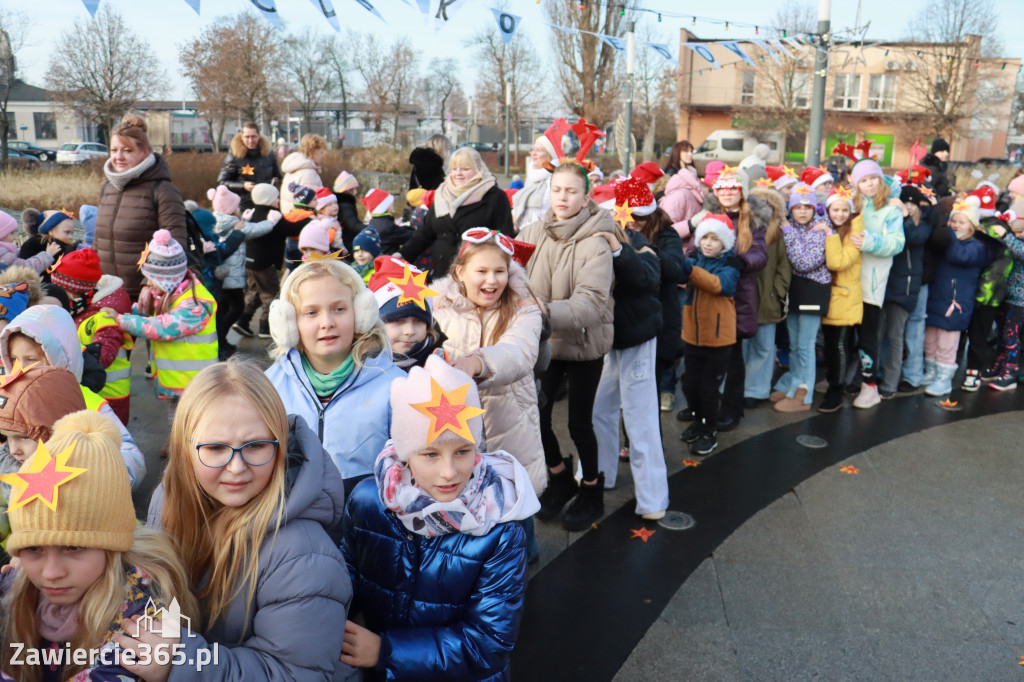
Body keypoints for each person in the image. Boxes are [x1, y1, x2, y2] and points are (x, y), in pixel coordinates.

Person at [146, 360, 355, 681]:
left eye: (256, 445)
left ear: (280, 444)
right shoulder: (169, 500)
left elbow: (294, 674)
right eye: (215, 448)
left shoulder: (303, 555)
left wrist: (182, 662)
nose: (236, 467)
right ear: (185, 449)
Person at [340, 355, 538, 679]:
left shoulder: (499, 529)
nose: (449, 472)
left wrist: (385, 651)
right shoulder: (367, 502)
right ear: (405, 455)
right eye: (430, 453)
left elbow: (489, 643)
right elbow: (346, 572)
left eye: (463, 451)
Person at [0, 410, 198, 682]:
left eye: (74, 547)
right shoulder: (18, 584)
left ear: (112, 545)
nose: (51, 573)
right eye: (34, 548)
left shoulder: (144, 619)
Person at [519, 163, 614, 531]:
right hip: (544, 342)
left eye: (571, 191)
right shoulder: (531, 233)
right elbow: (511, 277)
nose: (562, 197)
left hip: (584, 343)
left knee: (579, 423)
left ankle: (591, 488)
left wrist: (538, 311)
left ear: (585, 197)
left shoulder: (596, 242)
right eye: (557, 189)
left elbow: (591, 304)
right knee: (537, 415)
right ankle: (559, 476)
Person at [266, 259, 404, 495]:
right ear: (289, 323)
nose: (327, 323)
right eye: (311, 313)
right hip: (293, 512)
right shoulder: (269, 387)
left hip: (366, 513)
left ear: (361, 313)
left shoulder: (396, 387)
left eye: (339, 309)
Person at [431, 228, 546, 493]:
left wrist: (477, 363)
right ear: (460, 272)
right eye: (481, 271)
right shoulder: (436, 309)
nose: (492, 280)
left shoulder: (524, 309)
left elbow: (519, 351)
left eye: (499, 271)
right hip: (453, 435)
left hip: (511, 429)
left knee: (513, 502)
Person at [591, 178, 671, 519]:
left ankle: (653, 498)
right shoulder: (587, 240)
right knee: (599, 409)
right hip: (604, 339)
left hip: (636, 336)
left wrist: (618, 249)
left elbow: (647, 278)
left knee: (640, 417)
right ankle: (599, 474)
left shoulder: (638, 243)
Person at [1, 303, 147, 487]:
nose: (21, 369)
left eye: (31, 360)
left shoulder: (86, 402)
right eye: (14, 359)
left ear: (60, 356)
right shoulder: (8, 398)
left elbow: (131, 457)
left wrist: (93, 481)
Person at [681, 169, 770, 431]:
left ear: (742, 191)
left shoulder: (753, 219)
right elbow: (694, 246)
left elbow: (760, 253)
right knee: (699, 355)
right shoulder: (706, 214)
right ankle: (700, 406)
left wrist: (742, 261)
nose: (727, 193)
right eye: (722, 188)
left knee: (732, 356)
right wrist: (691, 259)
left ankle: (732, 408)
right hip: (703, 291)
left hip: (737, 293)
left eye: (733, 188)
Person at [106, 231, 217, 428]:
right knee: (178, 422)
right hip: (181, 380)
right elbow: (147, 316)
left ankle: (184, 444)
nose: (148, 284)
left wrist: (121, 320)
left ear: (169, 279)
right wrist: (128, 311)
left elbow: (163, 327)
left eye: (152, 279)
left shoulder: (195, 304)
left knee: (193, 425)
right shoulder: (171, 294)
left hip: (195, 383)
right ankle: (177, 440)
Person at [95, 114, 188, 300]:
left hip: (144, 295)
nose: (118, 157)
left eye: (127, 151)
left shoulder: (163, 190)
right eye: (114, 150)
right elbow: (98, 240)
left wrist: (150, 286)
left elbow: (176, 246)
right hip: (106, 291)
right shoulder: (107, 188)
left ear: (145, 152)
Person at [678, 215, 741, 455]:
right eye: (705, 237)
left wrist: (689, 269)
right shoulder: (695, 258)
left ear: (724, 242)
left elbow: (719, 285)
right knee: (690, 385)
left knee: (708, 388)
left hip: (718, 339)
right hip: (692, 336)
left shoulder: (731, 264)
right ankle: (698, 420)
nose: (708, 243)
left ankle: (709, 430)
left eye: (715, 239)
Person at [845, 160, 906, 409]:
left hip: (871, 283)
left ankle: (870, 387)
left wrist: (870, 242)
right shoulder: (852, 204)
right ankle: (841, 379)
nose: (869, 184)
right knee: (843, 334)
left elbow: (897, 243)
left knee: (868, 336)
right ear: (856, 183)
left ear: (880, 179)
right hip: (846, 280)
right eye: (863, 180)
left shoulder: (891, 208)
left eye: (873, 178)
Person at [400, 147, 514, 279]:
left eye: (465, 169)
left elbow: (504, 239)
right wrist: (402, 254)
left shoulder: (495, 197)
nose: (458, 173)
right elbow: (425, 232)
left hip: (478, 277)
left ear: (478, 169)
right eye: (454, 169)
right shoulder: (442, 194)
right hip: (442, 274)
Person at [50, 248, 134, 424]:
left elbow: (104, 355)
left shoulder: (104, 316)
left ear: (73, 291)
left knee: (107, 437)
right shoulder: (78, 308)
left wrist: (66, 356)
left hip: (109, 395)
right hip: (89, 390)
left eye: (60, 290)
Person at [772, 183, 831, 412]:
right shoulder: (792, 226)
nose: (803, 211)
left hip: (813, 290)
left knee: (805, 346)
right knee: (795, 345)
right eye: (798, 207)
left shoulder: (820, 228)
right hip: (795, 290)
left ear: (815, 208)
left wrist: (788, 232)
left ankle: (803, 395)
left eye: (808, 207)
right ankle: (793, 385)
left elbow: (804, 263)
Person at [923, 196, 988, 395]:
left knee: (947, 344)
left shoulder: (976, 247)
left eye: (962, 222)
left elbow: (958, 255)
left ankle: (944, 379)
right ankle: (931, 372)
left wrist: (947, 231)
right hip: (937, 299)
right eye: (954, 221)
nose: (956, 225)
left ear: (973, 226)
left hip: (955, 303)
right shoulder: (949, 242)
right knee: (930, 340)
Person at [206, 185, 281, 358]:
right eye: (237, 206)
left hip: (222, 275)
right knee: (237, 306)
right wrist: (271, 222)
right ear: (231, 210)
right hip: (231, 277)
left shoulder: (218, 220)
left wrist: (245, 220)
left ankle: (221, 340)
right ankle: (219, 338)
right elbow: (255, 230)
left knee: (225, 308)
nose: (240, 208)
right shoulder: (235, 224)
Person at [880, 184, 940, 398]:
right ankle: (881, 373)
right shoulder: (891, 219)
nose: (908, 206)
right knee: (885, 333)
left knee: (907, 331)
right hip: (891, 283)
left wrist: (904, 215)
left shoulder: (924, 222)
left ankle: (908, 377)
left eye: (912, 203)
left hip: (912, 284)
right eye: (904, 202)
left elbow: (915, 237)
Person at [234, 182, 303, 340]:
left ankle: (242, 321)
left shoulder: (251, 213)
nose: (278, 200)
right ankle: (265, 327)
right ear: (268, 199)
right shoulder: (273, 216)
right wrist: (308, 219)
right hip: (265, 263)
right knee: (270, 294)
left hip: (249, 262)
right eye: (276, 197)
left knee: (253, 292)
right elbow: (292, 229)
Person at [742, 187, 791, 408]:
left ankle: (756, 390)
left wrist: (777, 292)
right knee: (741, 345)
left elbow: (784, 266)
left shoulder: (777, 233)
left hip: (767, 298)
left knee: (763, 346)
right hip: (744, 296)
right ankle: (735, 386)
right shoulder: (743, 230)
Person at [818, 187, 864, 412]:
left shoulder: (854, 232)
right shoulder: (831, 228)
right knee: (829, 345)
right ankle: (832, 380)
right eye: (835, 209)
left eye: (844, 210)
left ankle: (836, 390)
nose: (840, 214)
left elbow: (838, 262)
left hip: (845, 296)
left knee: (838, 346)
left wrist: (830, 235)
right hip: (830, 295)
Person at [369, 256, 442, 370]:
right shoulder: (359, 368)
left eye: (419, 320)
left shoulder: (440, 365)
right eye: (398, 320)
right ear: (375, 324)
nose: (410, 331)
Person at [988, 211, 1024, 390]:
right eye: (1015, 231)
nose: (1017, 235)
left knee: (1011, 335)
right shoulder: (1014, 241)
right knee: (1002, 333)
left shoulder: (1014, 242)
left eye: (1020, 231)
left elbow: (1021, 252)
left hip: (1020, 300)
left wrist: (1007, 236)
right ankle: (999, 366)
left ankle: (1010, 372)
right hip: (1005, 294)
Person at [216, 122, 284, 210]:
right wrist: (243, 186)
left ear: (259, 136)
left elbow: (279, 178)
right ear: (241, 137)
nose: (250, 140)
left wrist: (274, 186)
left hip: (268, 204)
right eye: (247, 137)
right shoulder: (234, 156)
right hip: (245, 206)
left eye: (253, 136)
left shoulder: (269, 154)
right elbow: (222, 182)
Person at [512, 122, 565, 229]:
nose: (533, 154)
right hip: (524, 232)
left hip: (546, 231)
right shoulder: (532, 175)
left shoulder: (556, 177)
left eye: (539, 150)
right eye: (533, 150)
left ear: (550, 155)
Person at [281, 133, 327, 213]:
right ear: (312, 152)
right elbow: (311, 203)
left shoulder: (295, 165)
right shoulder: (308, 173)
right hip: (305, 218)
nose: (323, 156)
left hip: (290, 215)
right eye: (321, 152)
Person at [333, 171, 364, 251]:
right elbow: (352, 225)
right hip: (347, 242)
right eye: (354, 189)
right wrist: (370, 227)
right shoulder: (345, 205)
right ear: (348, 190)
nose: (356, 192)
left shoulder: (341, 203)